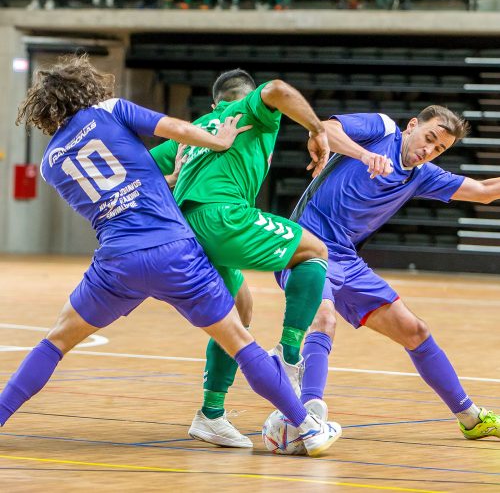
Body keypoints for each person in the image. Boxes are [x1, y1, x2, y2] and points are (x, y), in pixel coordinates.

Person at [0, 55, 341, 458]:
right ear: (86, 87)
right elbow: (177, 129)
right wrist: (218, 140)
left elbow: (118, 187)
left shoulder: (51, 164)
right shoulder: (110, 110)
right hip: (175, 253)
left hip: (117, 262)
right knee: (240, 340)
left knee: (55, 341)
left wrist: (173, 178)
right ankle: (304, 424)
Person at [150, 69, 389, 448]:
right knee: (315, 251)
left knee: (238, 314)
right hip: (221, 217)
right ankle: (289, 357)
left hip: (185, 236)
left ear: (215, 104)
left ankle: (210, 415)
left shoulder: (192, 130)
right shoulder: (250, 111)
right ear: (245, 99)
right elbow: (278, 89)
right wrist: (316, 130)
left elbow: (134, 176)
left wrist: (174, 176)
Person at [275, 105, 500, 439]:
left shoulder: (422, 175)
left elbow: (482, 193)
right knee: (324, 319)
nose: (428, 150)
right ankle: (309, 417)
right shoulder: (381, 129)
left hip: (346, 259)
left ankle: (470, 417)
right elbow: (323, 129)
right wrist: (364, 155)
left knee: (415, 330)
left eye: (439, 149)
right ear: (412, 126)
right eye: (429, 138)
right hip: (305, 246)